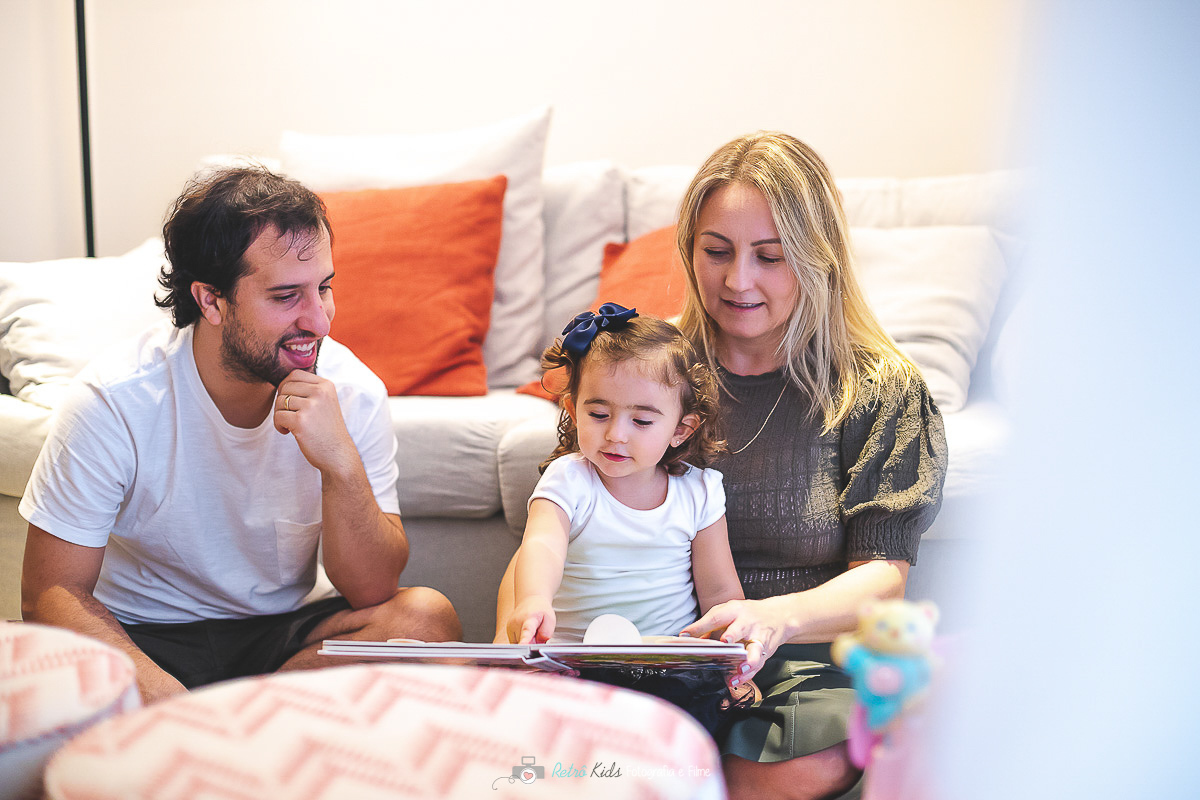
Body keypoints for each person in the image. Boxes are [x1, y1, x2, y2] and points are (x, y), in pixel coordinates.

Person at [19, 166, 461, 704]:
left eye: (323, 288)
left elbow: (372, 590)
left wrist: (340, 464)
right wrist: (167, 700)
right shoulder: (114, 399)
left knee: (425, 620)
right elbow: (50, 592)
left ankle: (243, 717)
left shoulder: (353, 390)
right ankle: (244, 724)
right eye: (286, 296)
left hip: (285, 635)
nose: (320, 321)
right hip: (144, 635)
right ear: (211, 300)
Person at [673, 132, 948, 799]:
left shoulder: (878, 389)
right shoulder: (653, 375)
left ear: (818, 257)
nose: (738, 280)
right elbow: (557, 517)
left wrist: (776, 617)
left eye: (771, 257)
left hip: (806, 665)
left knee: (766, 774)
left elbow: (883, 578)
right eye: (717, 251)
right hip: (668, 652)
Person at [503, 305, 743, 646]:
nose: (616, 434)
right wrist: (533, 600)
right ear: (573, 411)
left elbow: (719, 592)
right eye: (599, 414)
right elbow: (543, 545)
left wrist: (731, 653)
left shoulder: (699, 493)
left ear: (681, 429)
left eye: (641, 421)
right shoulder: (568, 480)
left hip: (666, 660)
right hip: (571, 658)